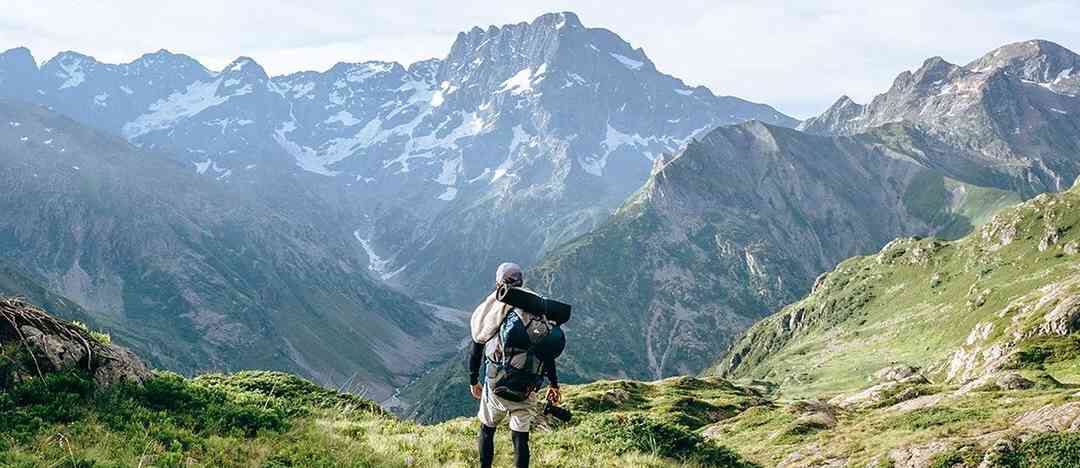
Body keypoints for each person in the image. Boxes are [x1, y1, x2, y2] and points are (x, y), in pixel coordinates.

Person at [468, 262, 560, 468]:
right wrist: (554, 384)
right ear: (521, 282)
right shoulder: (537, 310)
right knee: (520, 439)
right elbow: (547, 353)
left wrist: (473, 379)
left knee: (487, 429)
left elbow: (476, 348)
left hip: (496, 384)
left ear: (498, 282)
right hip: (527, 387)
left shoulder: (492, 311)